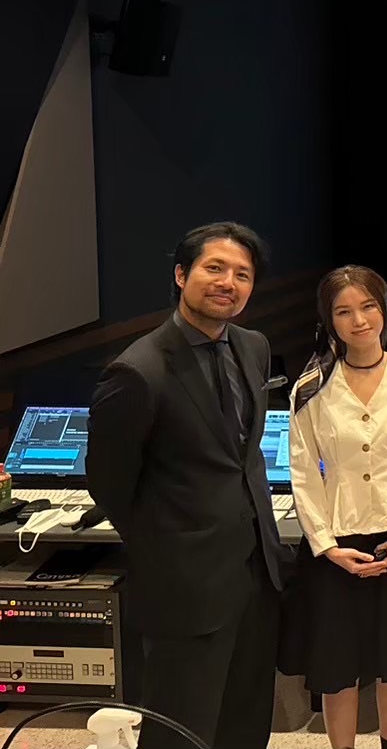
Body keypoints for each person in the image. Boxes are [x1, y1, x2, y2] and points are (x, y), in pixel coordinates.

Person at [87, 222, 292, 749]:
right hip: (185, 586)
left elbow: (242, 458)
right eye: (214, 268)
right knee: (181, 728)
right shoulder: (138, 372)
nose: (228, 282)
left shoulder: (254, 346)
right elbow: (108, 483)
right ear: (181, 275)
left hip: (255, 573)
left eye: (242, 274)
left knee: (245, 721)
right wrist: (169, 547)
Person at [279, 266, 387, 749]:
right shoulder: (310, 387)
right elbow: (304, 474)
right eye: (344, 311)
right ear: (328, 320)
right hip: (335, 548)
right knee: (338, 671)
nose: (359, 320)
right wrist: (326, 546)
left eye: (368, 306)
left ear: (384, 309)